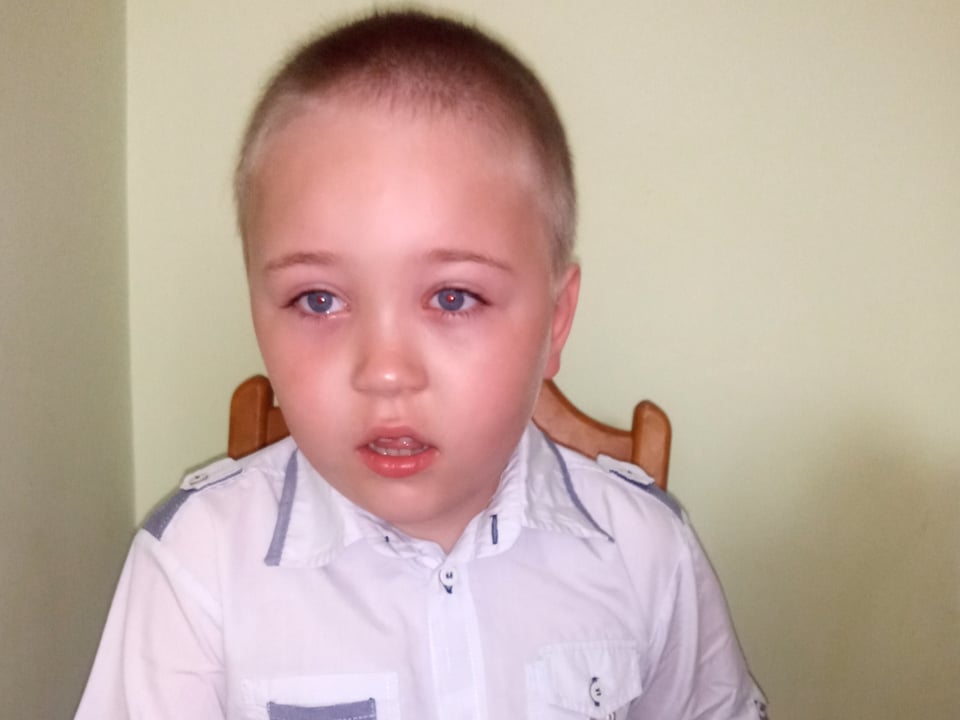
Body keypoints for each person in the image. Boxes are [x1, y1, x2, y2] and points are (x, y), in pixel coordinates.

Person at [75, 10, 766, 719]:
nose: (385, 373)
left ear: (556, 320)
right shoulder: (197, 565)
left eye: (453, 297)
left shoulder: (646, 552)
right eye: (318, 299)